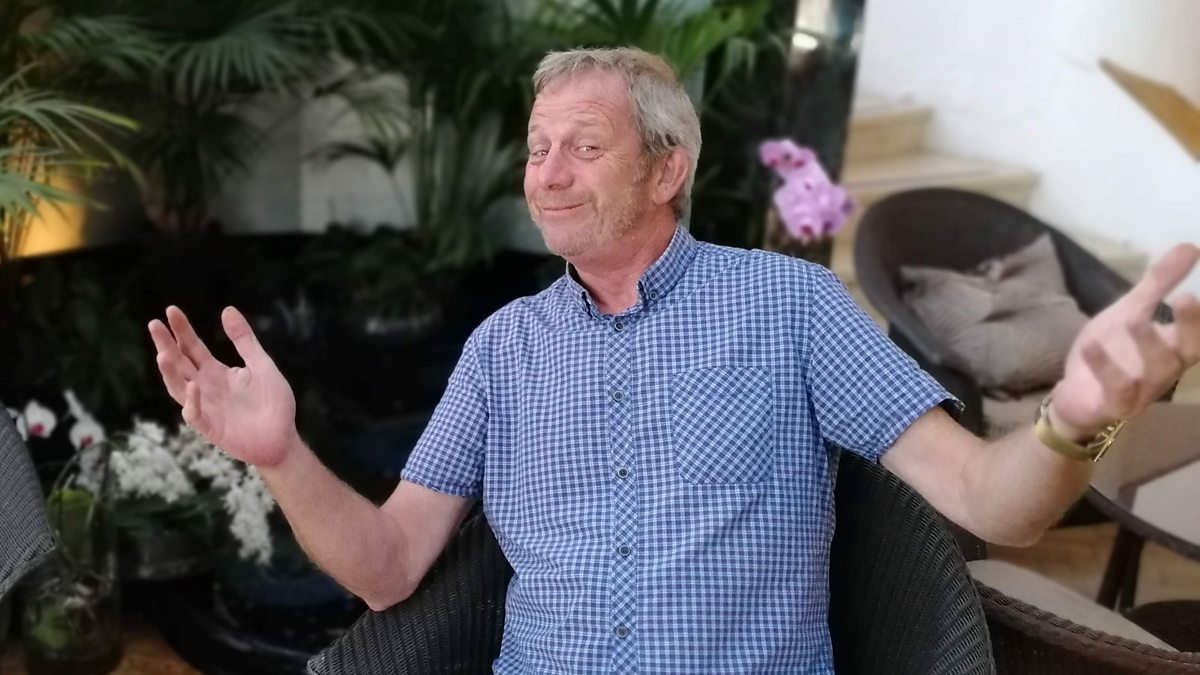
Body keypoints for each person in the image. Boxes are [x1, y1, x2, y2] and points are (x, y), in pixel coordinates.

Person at [149, 48, 1200, 673]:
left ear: (667, 170)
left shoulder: (789, 306)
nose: (546, 174)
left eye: (583, 146)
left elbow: (991, 502)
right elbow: (386, 571)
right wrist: (280, 453)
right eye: (536, 148)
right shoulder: (502, 349)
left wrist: (1070, 421)